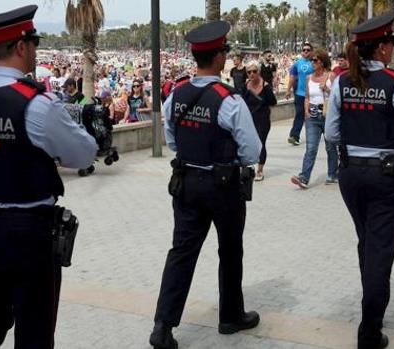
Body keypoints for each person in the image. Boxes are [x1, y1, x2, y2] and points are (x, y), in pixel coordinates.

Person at [0, 5, 98, 347]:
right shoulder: (36, 103)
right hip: (26, 229)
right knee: (34, 331)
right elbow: (84, 154)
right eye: (34, 42)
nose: (35, 49)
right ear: (21, 47)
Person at [150, 20, 262, 349]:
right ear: (219, 57)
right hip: (222, 186)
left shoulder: (176, 94)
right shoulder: (228, 99)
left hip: (185, 182)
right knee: (230, 250)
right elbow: (252, 150)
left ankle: (163, 325)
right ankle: (230, 317)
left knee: (181, 253)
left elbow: (171, 140)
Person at [325, 12, 394, 349]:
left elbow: (331, 132)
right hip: (386, 176)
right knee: (380, 249)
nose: (393, 50)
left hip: (351, 174)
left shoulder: (342, 82)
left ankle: (373, 303)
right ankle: (370, 330)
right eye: (392, 44)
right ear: (382, 48)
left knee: (367, 241)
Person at [291, 49, 338, 189]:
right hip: (312, 116)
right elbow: (307, 96)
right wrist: (306, 110)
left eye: (315, 60)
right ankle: (304, 178)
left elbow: (338, 96)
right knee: (311, 148)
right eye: (312, 60)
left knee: (330, 147)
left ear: (322, 62)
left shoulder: (331, 76)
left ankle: (332, 174)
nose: (313, 62)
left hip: (328, 115)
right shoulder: (308, 78)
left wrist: (328, 90)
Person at [243, 61, 277, 181]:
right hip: (249, 120)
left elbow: (273, 102)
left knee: (260, 144)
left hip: (263, 119)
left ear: (259, 72)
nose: (252, 74)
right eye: (249, 72)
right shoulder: (246, 85)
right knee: (248, 144)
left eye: (254, 71)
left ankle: (260, 170)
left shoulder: (265, 86)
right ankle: (247, 168)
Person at [285, 42, 314, 145]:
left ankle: (315, 135)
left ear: (311, 52)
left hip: (313, 95)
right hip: (300, 94)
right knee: (299, 115)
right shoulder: (297, 64)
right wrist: (288, 90)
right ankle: (294, 136)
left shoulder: (315, 63)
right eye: (304, 50)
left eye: (308, 50)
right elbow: (292, 77)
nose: (306, 51)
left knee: (313, 116)